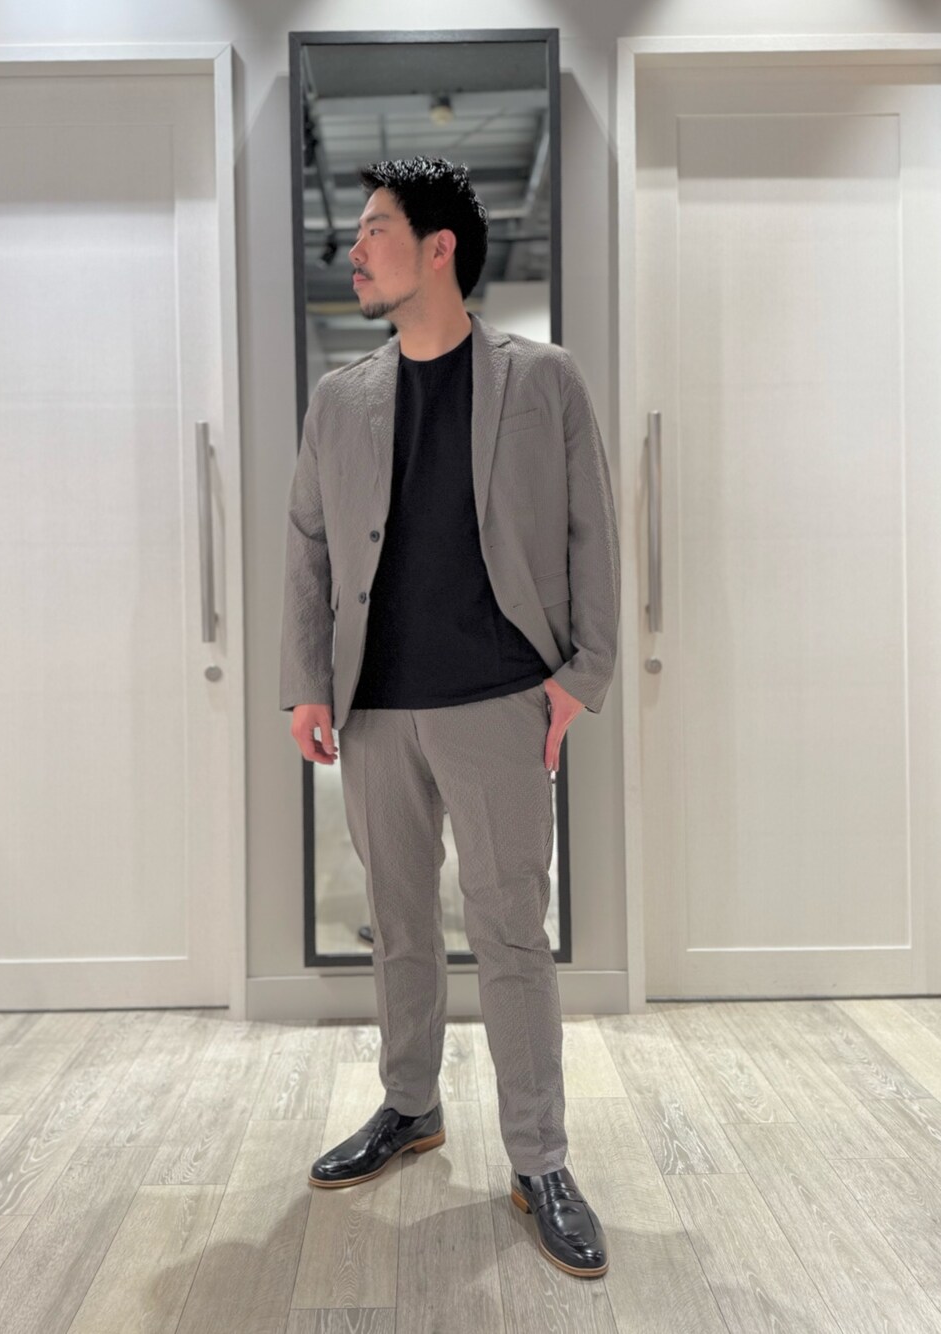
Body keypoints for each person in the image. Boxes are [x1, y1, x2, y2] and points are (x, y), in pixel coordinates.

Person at [279, 155, 620, 1280]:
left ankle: (540, 1158)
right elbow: (309, 547)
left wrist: (582, 674)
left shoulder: (544, 380)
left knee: (511, 929)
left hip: (498, 697)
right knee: (398, 920)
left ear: (440, 248)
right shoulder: (340, 399)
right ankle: (409, 1103)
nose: (354, 249)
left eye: (374, 229)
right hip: (376, 707)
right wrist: (307, 682)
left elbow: (591, 531)